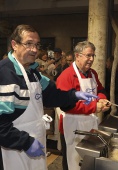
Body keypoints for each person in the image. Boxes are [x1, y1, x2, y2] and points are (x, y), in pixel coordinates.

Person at [0, 24, 98, 170]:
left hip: (34, 140)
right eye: (28, 44)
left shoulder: (33, 72)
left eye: (37, 45)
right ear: (14, 44)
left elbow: (52, 96)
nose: (34, 50)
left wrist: (75, 95)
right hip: (13, 149)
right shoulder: (5, 74)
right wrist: (25, 142)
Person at [56, 41, 111, 170]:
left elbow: (101, 90)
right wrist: (93, 107)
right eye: (88, 55)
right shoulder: (66, 76)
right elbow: (66, 105)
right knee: (71, 159)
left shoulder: (92, 73)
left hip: (89, 122)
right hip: (72, 125)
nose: (91, 59)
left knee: (87, 158)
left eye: (93, 56)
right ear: (77, 56)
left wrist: (102, 100)